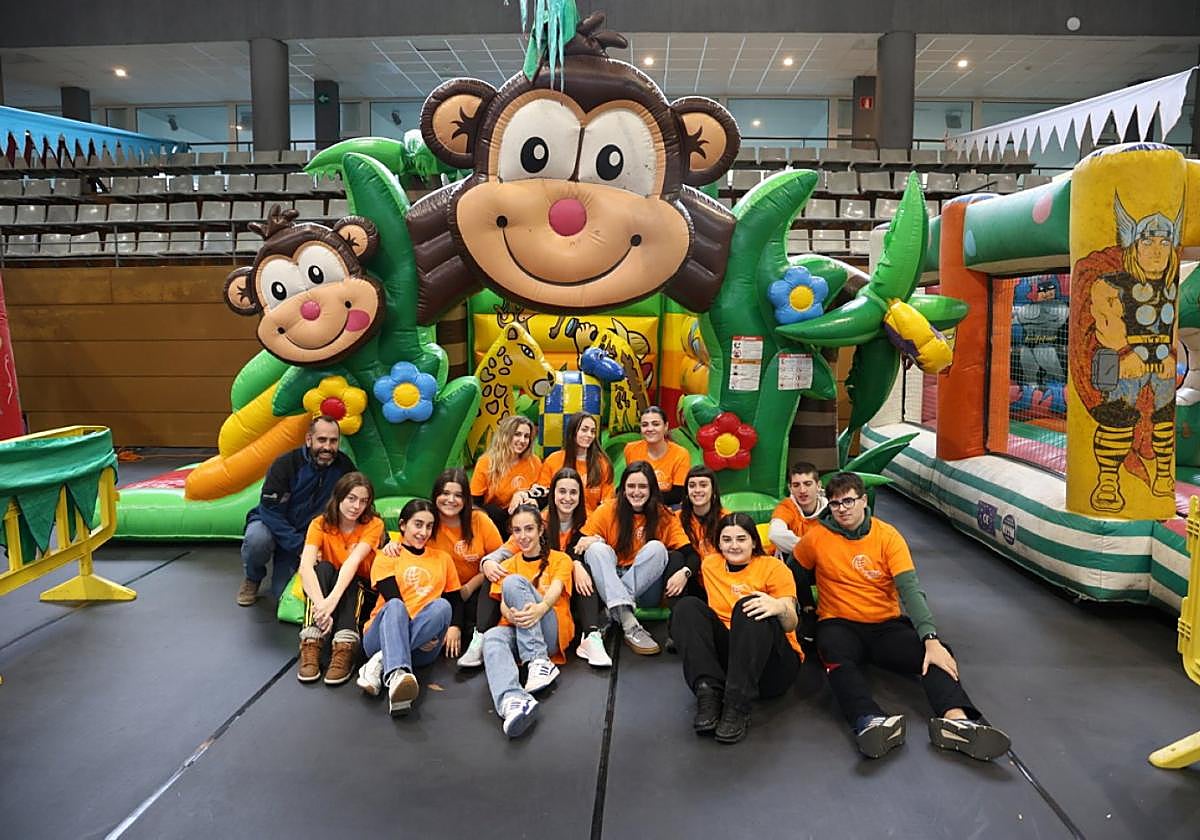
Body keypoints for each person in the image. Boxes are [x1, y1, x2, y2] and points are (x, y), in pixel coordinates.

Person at [795, 472, 1011, 760]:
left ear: (863, 501)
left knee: (936, 654)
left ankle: (957, 722)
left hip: (885, 626)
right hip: (839, 624)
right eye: (835, 504)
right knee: (834, 653)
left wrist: (931, 638)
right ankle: (868, 720)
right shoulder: (816, 538)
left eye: (848, 501)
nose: (842, 509)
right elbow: (795, 572)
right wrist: (808, 609)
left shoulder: (888, 536)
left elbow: (910, 590)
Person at [671, 513, 802, 744]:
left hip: (773, 666)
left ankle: (737, 705)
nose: (734, 545)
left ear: (753, 541)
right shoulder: (711, 564)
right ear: (719, 544)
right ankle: (708, 692)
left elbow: (791, 622)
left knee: (748, 606)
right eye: (727, 540)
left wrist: (778, 607)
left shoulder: (773, 567)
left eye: (741, 539)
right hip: (732, 662)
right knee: (687, 607)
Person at [576, 461, 696, 655]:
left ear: (651, 489)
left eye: (642, 486)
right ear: (623, 489)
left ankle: (611, 610)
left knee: (657, 548)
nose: (636, 492)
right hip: (611, 576)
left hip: (645, 587)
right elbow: (579, 546)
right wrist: (579, 558)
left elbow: (689, 553)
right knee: (596, 549)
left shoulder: (663, 515)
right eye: (631, 486)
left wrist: (685, 572)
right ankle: (629, 622)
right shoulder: (608, 510)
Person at [357, 499, 463, 716]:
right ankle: (396, 672)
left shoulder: (442, 559)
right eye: (418, 524)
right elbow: (393, 600)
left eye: (429, 526)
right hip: (379, 638)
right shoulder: (388, 555)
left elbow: (454, 600)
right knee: (396, 605)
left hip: (424, 649)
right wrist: (423, 633)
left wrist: (451, 628)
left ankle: (381, 663)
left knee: (442, 606)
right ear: (403, 525)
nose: (423, 532)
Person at [237, 415, 355, 605]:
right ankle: (253, 577)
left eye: (333, 441)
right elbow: (270, 511)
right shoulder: (285, 465)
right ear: (309, 440)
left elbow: (356, 501)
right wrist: (299, 546)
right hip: (273, 526)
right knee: (257, 540)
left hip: (308, 535)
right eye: (322, 440)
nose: (327, 447)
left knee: (282, 594)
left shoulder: (344, 467)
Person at [480, 506, 575, 738]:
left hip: (549, 631)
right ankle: (512, 700)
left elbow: (556, 589)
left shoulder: (560, 558)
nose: (523, 536)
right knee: (492, 637)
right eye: (517, 530)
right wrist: (510, 615)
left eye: (529, 529)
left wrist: (540, 609)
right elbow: (503, 603)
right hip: (519, 628)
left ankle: (539, 660)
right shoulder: (510, 563)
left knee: (514, 582)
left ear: (541, 529)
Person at [295, 472, 385, 686]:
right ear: (339, 497)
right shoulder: (320, 524)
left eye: (363, 501)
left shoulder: (373, 524)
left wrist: (330, 602)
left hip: (360, 587)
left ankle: (345, 643)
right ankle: (311, 639)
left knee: (351, 576)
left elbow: (353, 563)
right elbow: (305, 565)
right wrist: (321, 606)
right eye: (351, 498)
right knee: (322, 568)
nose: (356, 506)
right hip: (327, 592)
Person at [429, 468, 503, 668]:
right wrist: (392, 545)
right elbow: (406, 545)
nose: (450, 500)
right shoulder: (427, 521)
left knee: (483, 600)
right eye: (445, 493)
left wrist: (470, 586)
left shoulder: (478, 520)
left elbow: (501, 558)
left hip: (476, 587)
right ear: (436, 495)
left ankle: (480, 637)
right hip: (442, 592)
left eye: (458, 495)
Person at [471, 415, 542, 532]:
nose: (522, 440)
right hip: (494, 519)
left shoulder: (534, 462)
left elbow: (541, 493)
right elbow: (474, 503)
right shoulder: (486, 462)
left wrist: (523, 495)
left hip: (523, 517)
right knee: (493, 511)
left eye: (527, 436)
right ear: (506, 436)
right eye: (517, 434)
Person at [669, 465, 728, 599]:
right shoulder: (676, 518)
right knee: (675, 558)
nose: (697, 490)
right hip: (689, 580)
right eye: (692, 485)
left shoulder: (726, 519)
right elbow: (685, 550)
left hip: (719, 579)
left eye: (703, 485)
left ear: (713, 490)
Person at [537, 413, 614, 513]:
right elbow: (543, 496)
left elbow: (607, 503)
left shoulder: (602, 463)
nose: (589, 435)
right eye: (584, 430)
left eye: (593, 431)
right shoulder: (553, 460)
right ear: (572, 432)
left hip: (591, 523)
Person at [622, 406, 691, 505]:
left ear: (666, 426)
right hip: (635, 504)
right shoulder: (630, 449)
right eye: (645, 425)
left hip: (666, 507)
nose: (650, 429)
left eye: (656, 424)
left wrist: (643, 497)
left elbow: (678, 495)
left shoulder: (681, 454)